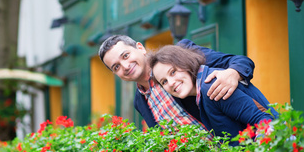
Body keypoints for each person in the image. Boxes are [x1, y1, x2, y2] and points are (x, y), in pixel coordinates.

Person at [98, 35, 256, 128]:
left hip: (240, 143)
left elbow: (240, 61)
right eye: (116, 66)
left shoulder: (180, 54)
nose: (125, 66)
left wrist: (234, 73)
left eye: (125, 55)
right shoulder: (140, 101)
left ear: (140, 48)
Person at [148, 45, 277, 143]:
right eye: (164, 81)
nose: (170, 83)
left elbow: (264, 119)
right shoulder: (201, 94)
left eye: (173, 72)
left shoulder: (212, 87)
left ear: (184, 63)